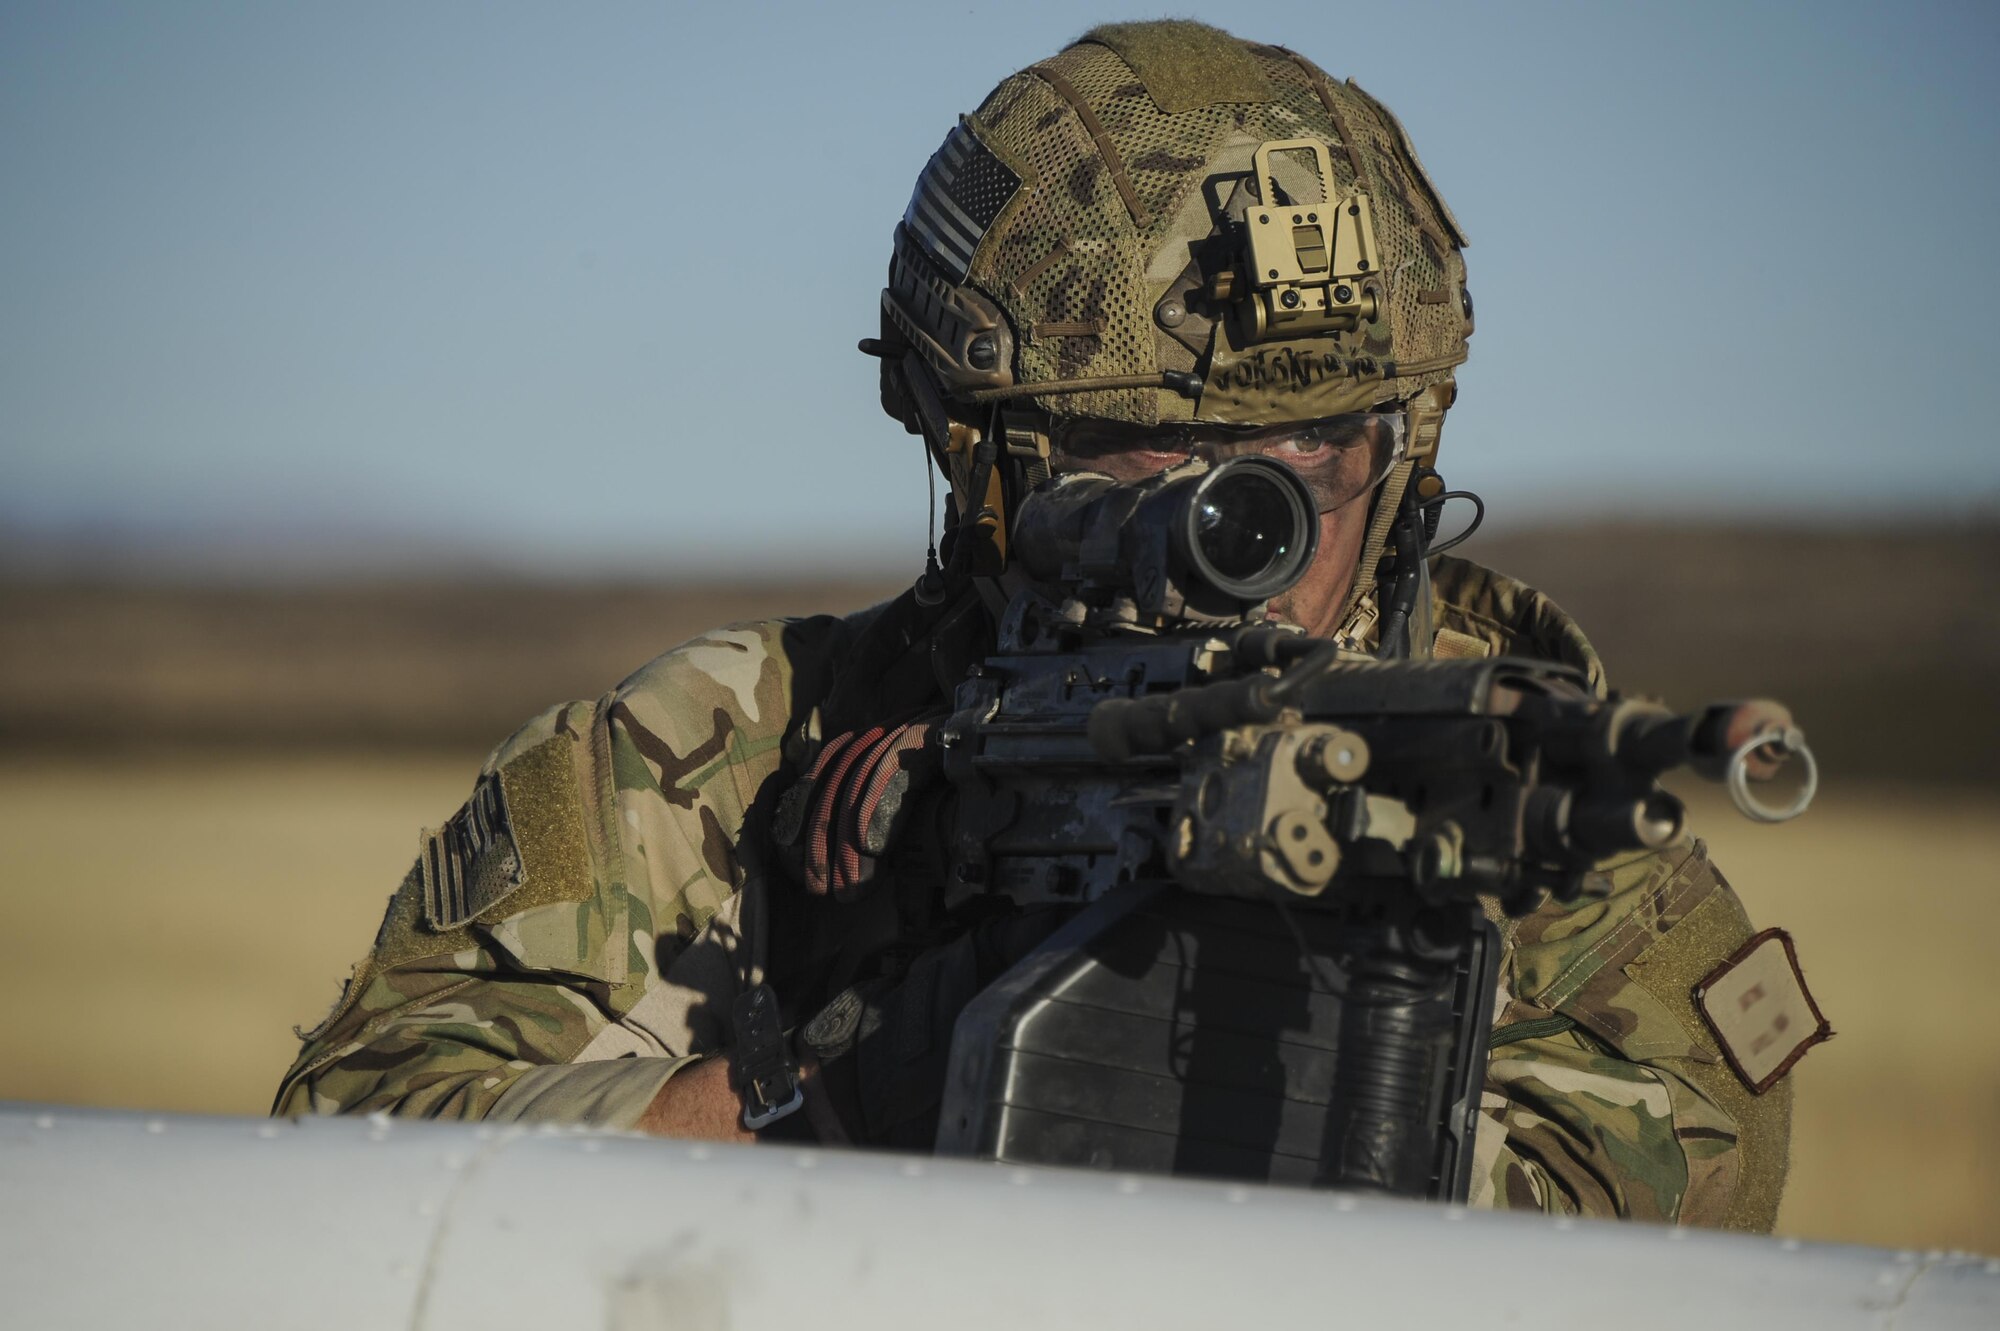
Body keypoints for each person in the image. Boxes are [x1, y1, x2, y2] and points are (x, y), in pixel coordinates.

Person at [276, 20, 1822, 1228]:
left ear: (1407, 464)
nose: (1244, 556)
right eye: (1137, 476)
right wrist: (807, 1092)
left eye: (1314, 471)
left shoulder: (1531, 812)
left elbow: (1657, 1232)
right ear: (978, 468)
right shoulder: (713, 758)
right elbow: (346, 1152)